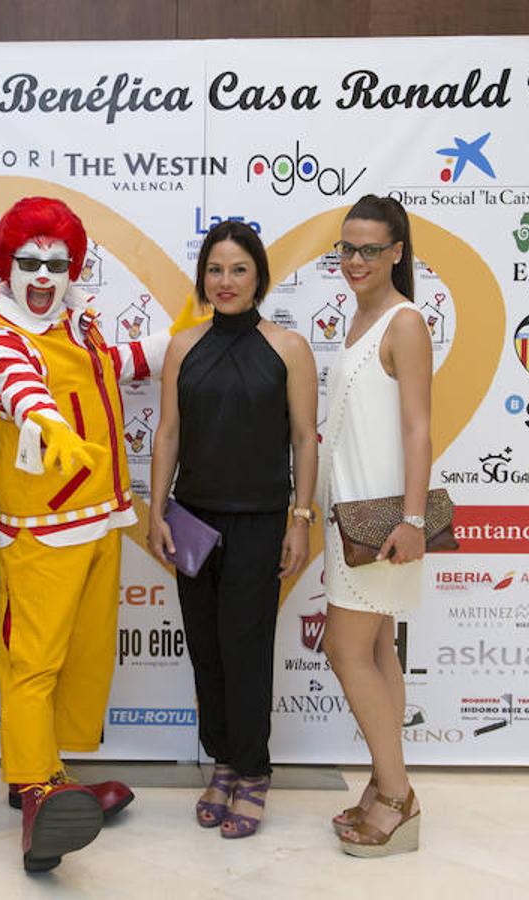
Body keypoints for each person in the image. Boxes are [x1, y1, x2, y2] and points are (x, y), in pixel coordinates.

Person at [0, 196, 206, 872]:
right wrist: (49, 426)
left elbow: (121, 364)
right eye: (29, 262)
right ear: (4, 265)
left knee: (85, 658)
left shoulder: (77, 326)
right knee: (33, 663)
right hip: (42, 529)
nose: (43, 275)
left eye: (57, 263)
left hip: (101, 518)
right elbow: (19, 388)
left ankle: (53, 776)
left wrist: (179, 337)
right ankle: (33, 787)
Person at [148, 220, 319, 839]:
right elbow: (167, 433)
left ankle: (253, 771)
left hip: (261, 521)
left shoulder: (289, 348)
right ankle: (222, 762)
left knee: (246, 651)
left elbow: (304, 437)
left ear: (259, 278)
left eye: (238, 269)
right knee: (207, 651)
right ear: (204, 278)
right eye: (215, 270)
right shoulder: (183, 347)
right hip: (192, 519)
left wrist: (301, 518)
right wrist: (155, 510)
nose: (225, 281)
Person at [320, 195, 431, 858]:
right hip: (354, 517)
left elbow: (419, 425)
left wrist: (413, 518)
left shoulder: (404, 321)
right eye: (346, 247)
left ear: (397, 252)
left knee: (345, 649)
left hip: (385, 520)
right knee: (379, 649)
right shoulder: (360, 316)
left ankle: (396, 796)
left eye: (369, 249)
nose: (355, 260)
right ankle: (387, 782)